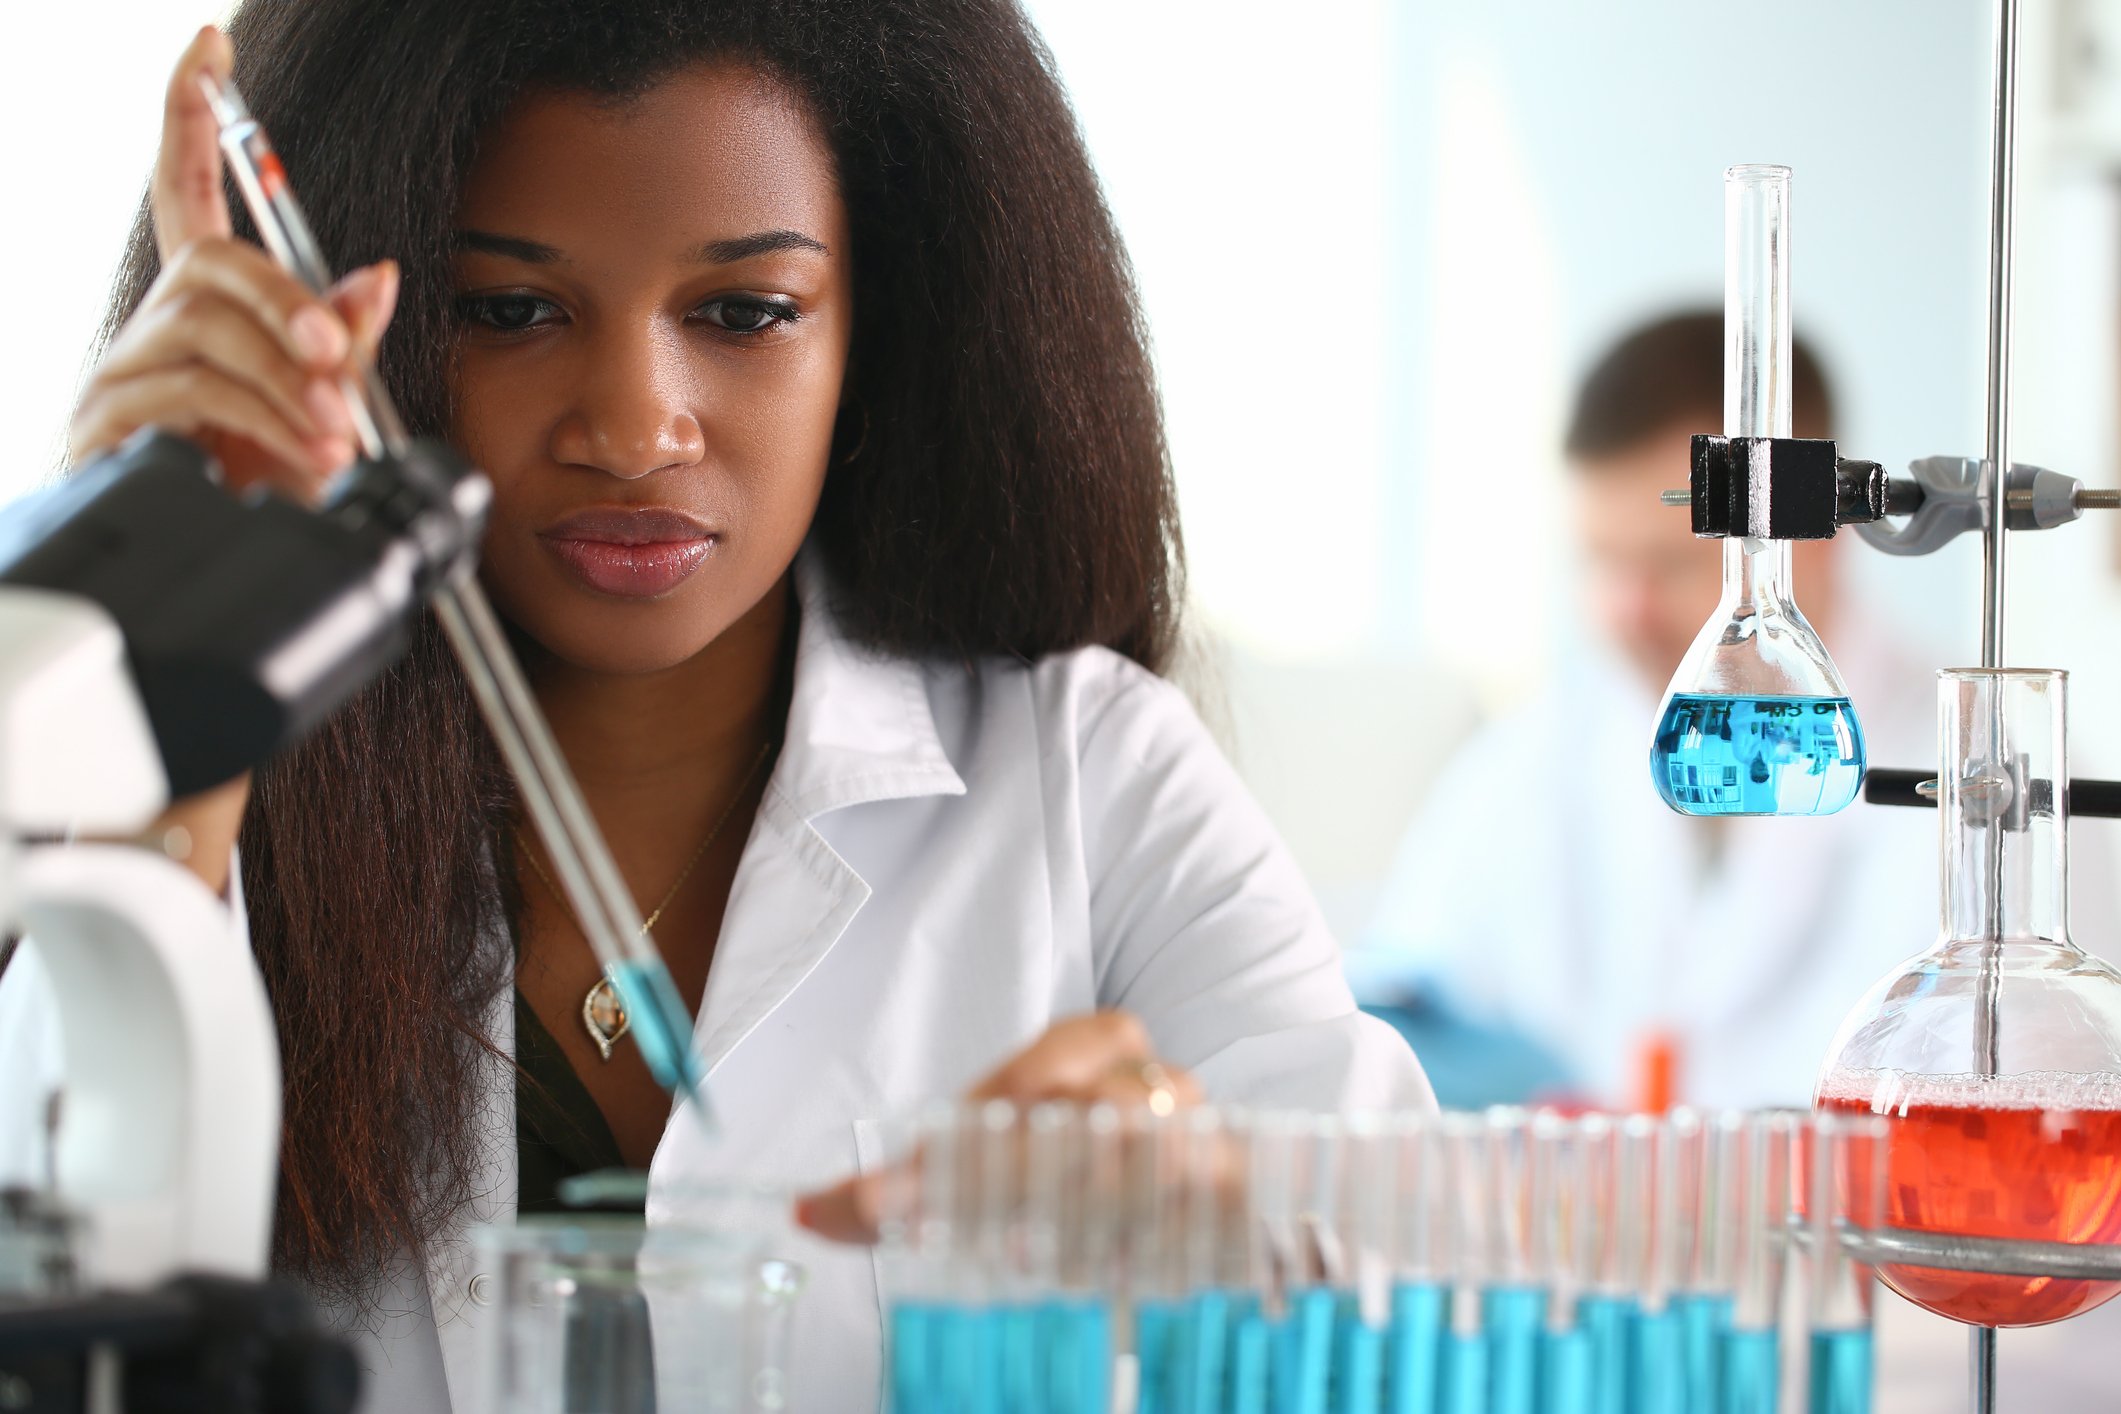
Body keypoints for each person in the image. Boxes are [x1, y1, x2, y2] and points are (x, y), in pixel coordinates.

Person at [0, 9, 1428, 1411]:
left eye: (744, 312)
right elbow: (59, 1304)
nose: (634, 426)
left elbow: (1414, 1289)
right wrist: (162, 713)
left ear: (880, 328)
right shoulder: (199, 771)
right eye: (510, 310)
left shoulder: (1089, 778)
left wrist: (1209, 1192)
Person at [1348, 311, 1940, 1111]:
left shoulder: (1977, 774)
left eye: (1669, 562)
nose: (1626, 611)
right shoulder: (1543, 748)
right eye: (1600, 559)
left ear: (1824, 530)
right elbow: (1396, 1016)